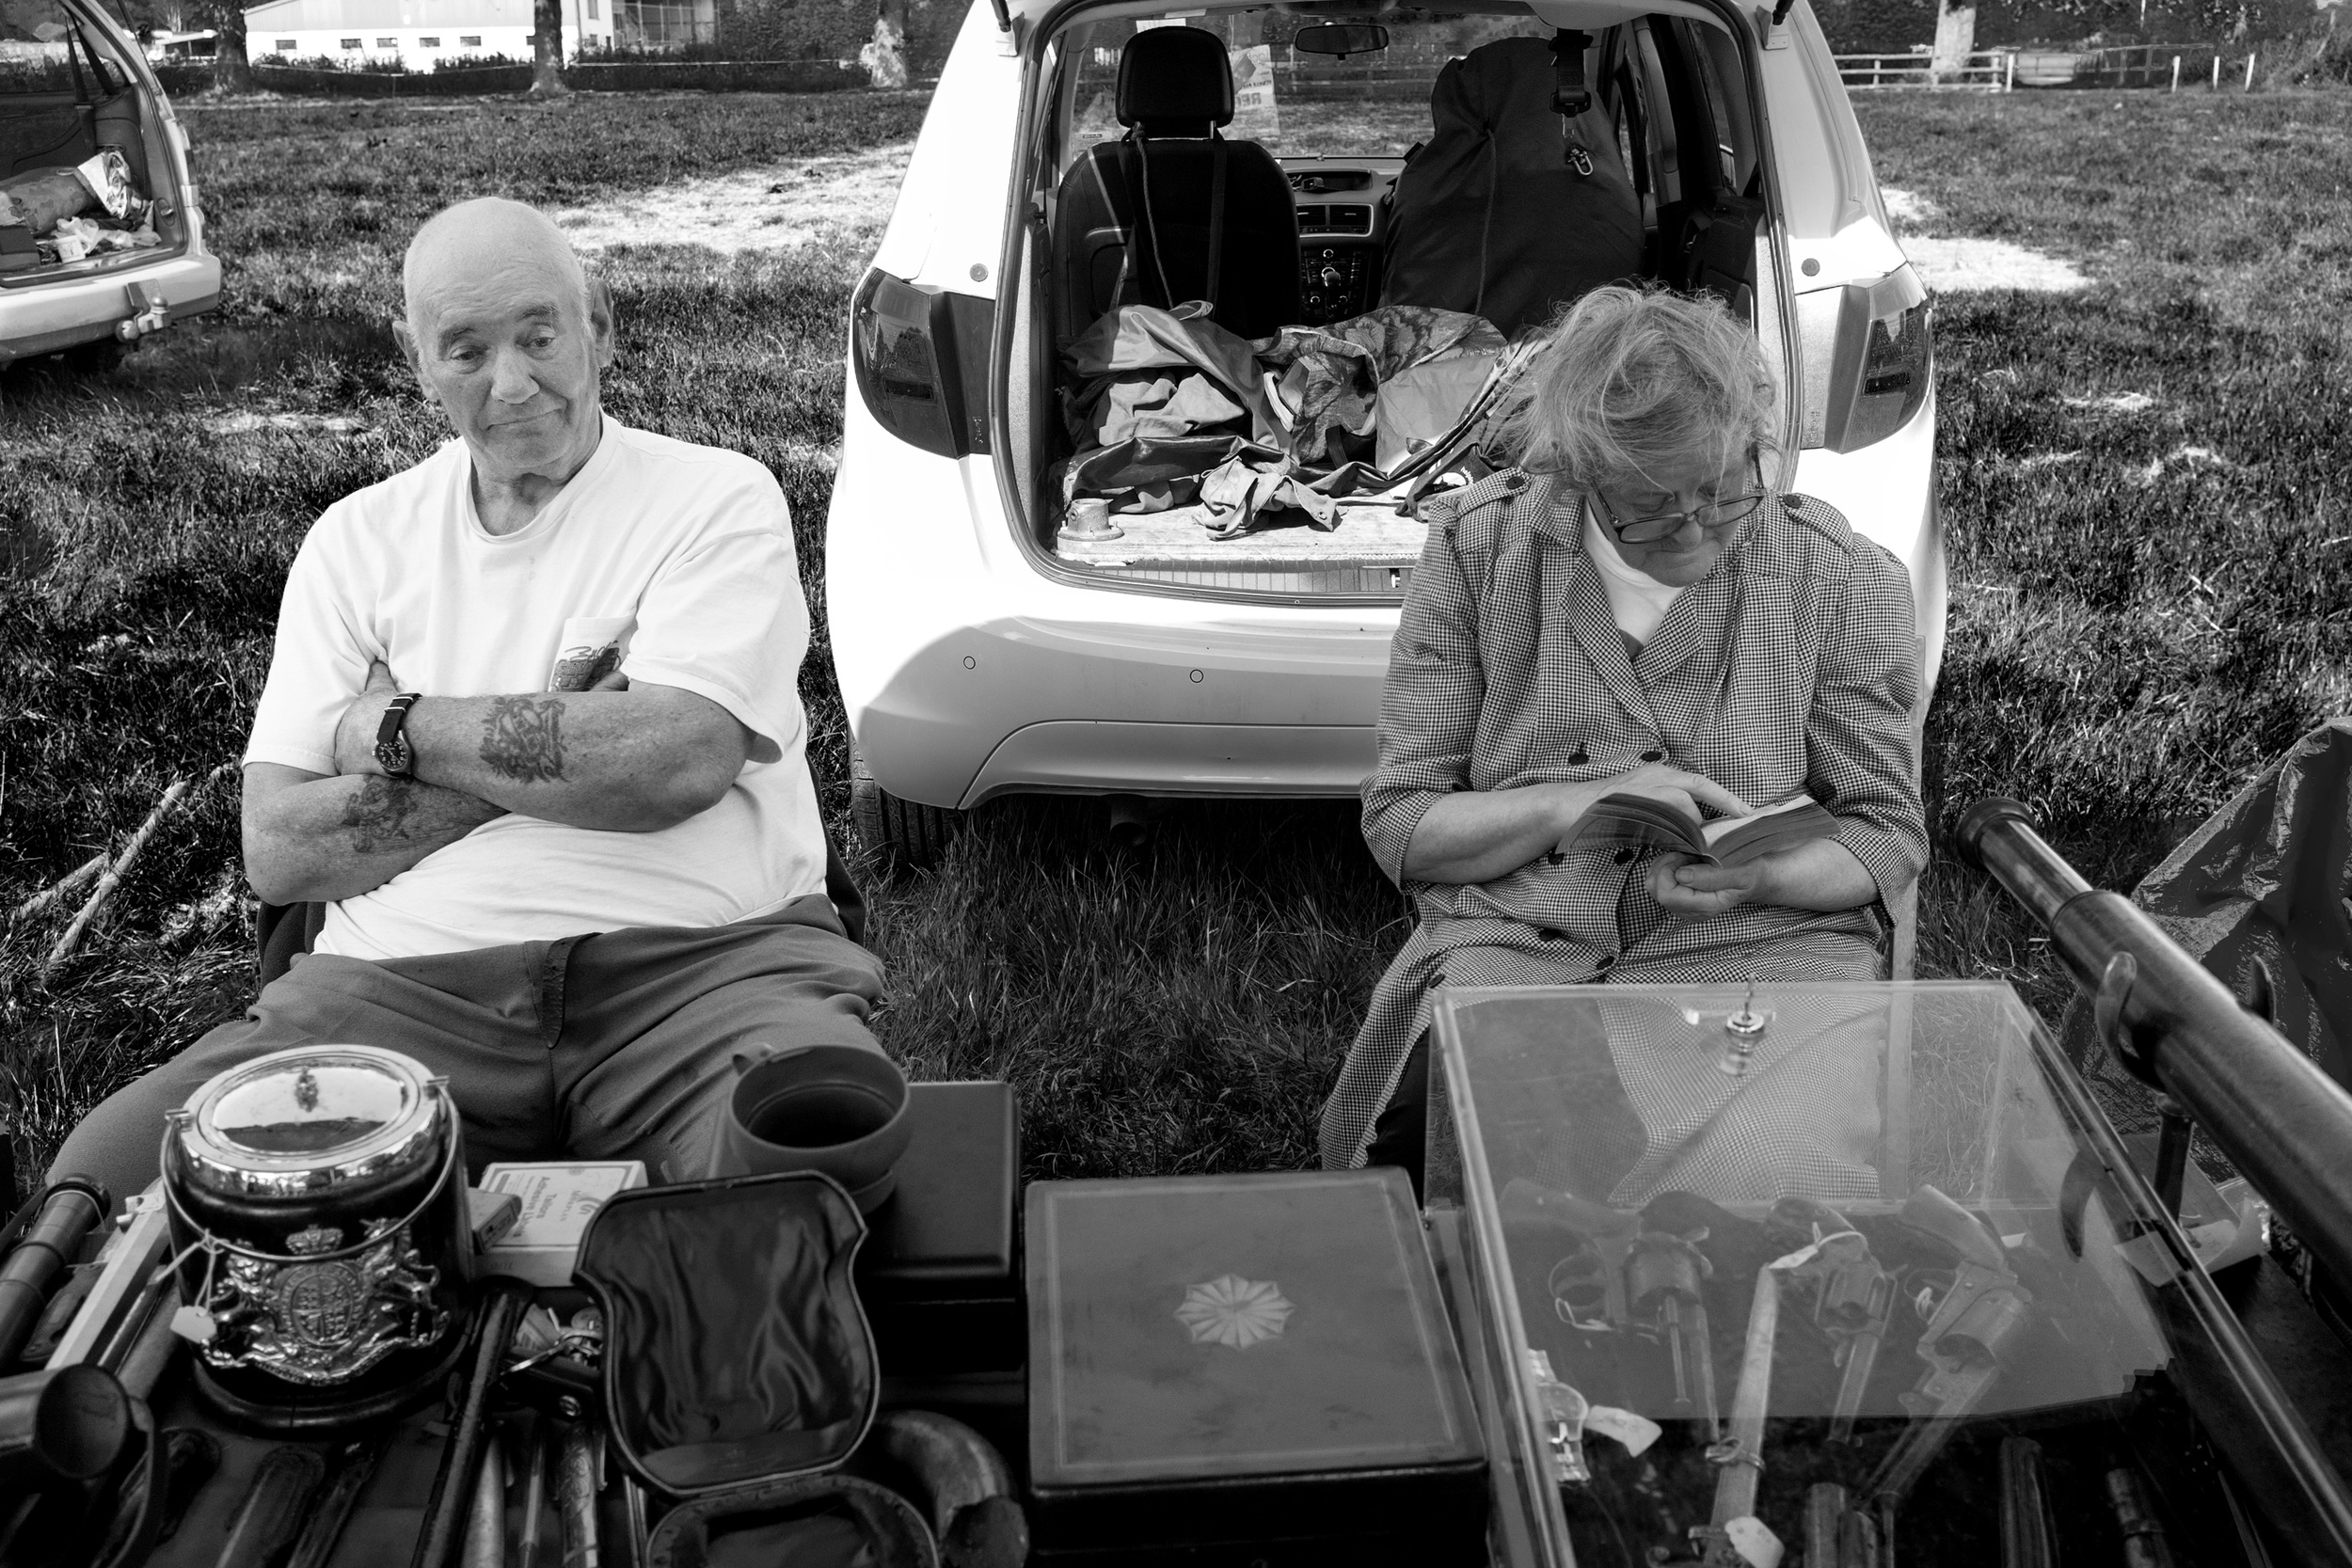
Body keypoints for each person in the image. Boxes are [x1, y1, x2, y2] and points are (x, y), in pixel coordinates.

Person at [49, 198, 884, 1205]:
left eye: (541, 336)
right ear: (416, 361)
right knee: (109, 1181)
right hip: (393, 991)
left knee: (792, 1172)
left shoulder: (715, 497)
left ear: (600, 328)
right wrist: (568, 730)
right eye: (467, 350)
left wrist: (393, 729)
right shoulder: (356, 543)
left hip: (706, 974)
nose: (514, 382)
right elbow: (282, 846)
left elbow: (671, 761)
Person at [1319, 284, 1927, 1184]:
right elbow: (1404, 825)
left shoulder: (1839, 578)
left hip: (1760, 949)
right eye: (1651, 505)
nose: (1694, 528)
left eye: (1723, 494)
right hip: (1519, 942)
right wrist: (1577, 804)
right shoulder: (1480, 552)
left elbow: (1886, 833)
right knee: (1449, 1151)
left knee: (1761, 1190)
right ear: (1579, 474)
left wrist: (1760, 871)